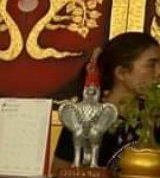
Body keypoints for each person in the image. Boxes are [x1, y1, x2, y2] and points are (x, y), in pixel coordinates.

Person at [54, 32, 160, 166]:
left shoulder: (154, 118)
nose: (158, 72)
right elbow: (60, 171)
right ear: (121, 73)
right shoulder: (84, 117)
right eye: (151, 65)